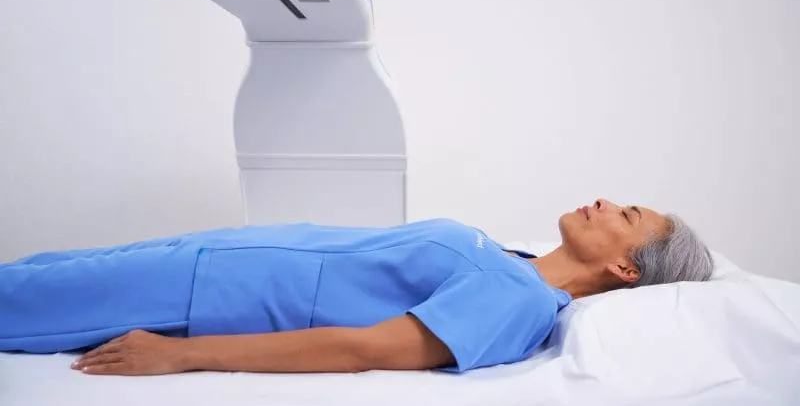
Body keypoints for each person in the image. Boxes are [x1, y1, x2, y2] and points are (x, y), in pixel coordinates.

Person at [0, 198, 713, 376]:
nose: (603, 200)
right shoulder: (513, 259)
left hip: (205, 293)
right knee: (29, 272)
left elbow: (367, 347)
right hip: (209, 251)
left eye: (626, 215)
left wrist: (182, 354)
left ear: (627, 269)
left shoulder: (522, 300)